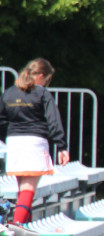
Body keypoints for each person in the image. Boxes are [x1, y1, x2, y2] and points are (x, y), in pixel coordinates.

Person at [0, 58, 71, 225]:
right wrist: (61, 145)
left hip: (14, 143)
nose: (46, 83)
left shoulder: (9, 93)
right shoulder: (42, 93)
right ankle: (17, 226)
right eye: (47, 80)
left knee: (23, 192)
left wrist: (6, 138)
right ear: (40, 76)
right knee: (28, 191)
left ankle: (26, 228)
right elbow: (53, 120)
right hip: (35, 143)